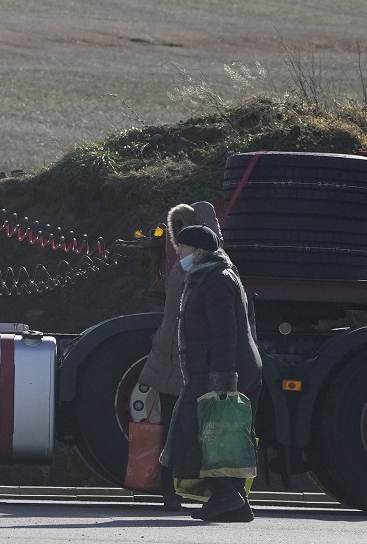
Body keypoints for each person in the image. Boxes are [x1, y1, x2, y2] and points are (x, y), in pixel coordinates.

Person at [160, 224, 261, 523]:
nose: (178, 253)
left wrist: (223, 381)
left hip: (220, 370)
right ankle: (236, 504)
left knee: (197, 431)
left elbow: (224, 333)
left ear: (199, 250)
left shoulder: (215, 278)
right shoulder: (210, 275)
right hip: (220, 368)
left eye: (182, 247)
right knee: (225, 434)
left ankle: (224, 493)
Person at [136, 201, 222, 510]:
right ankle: (176, 490)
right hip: (179, 360)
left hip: (174, 360)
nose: (179, 246)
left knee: (177, 428)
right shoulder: (199, 269)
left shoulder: (188, 269)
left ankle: (176, 490)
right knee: (183, 429)